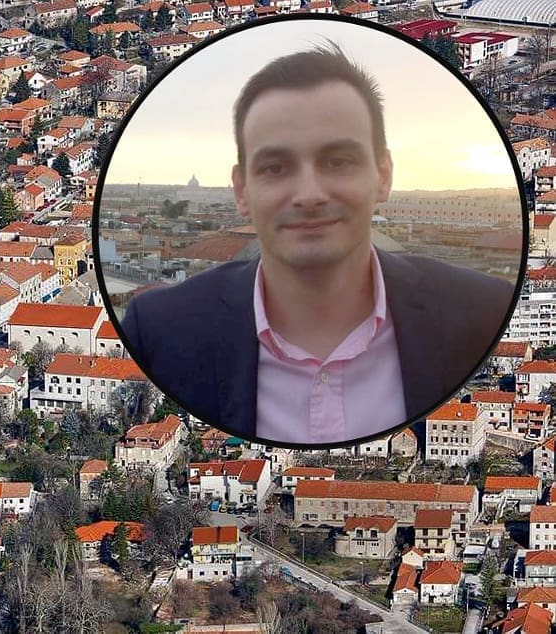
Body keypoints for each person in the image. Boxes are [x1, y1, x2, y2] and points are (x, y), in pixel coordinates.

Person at [119, 44, 516, 445]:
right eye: (276, 167)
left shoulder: (481, 312)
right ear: (241, 190)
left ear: (383, 175)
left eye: (337, 161)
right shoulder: (158, 331)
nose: (309, 194)